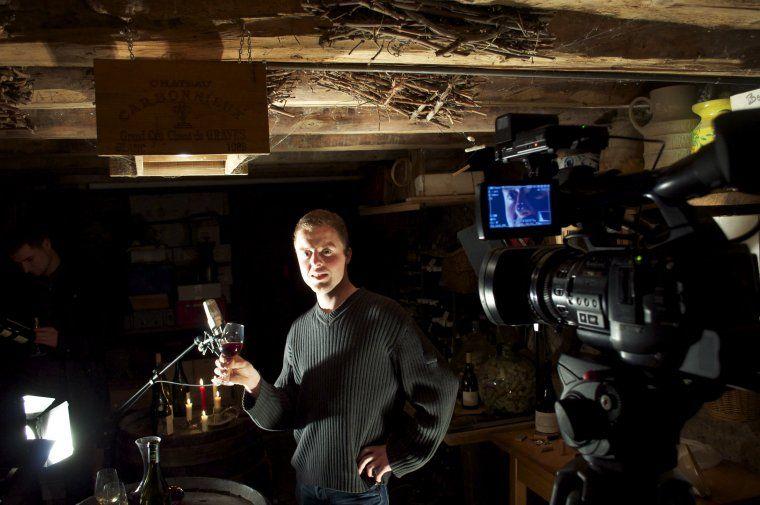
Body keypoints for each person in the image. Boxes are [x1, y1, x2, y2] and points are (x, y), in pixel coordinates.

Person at [213, 209, 459, 504]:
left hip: (359, 492)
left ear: (348, 255)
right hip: (306, 486)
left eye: (326, 251)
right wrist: (253, 382)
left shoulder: (385, 317)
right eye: (305, 253)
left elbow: (442, 387)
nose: (315, 262)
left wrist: (399, 455)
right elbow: (286, 415)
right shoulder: (300, 330)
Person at [3, 224, 109, 502]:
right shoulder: (28, 287)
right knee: (51, 465)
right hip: (43, 391)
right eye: (20, 263)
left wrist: (64, 341)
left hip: (82, 390)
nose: (26, 268)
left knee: (83, 467)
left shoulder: (84, 280)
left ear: (46, 245)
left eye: (30, 259)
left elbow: (105, 338)